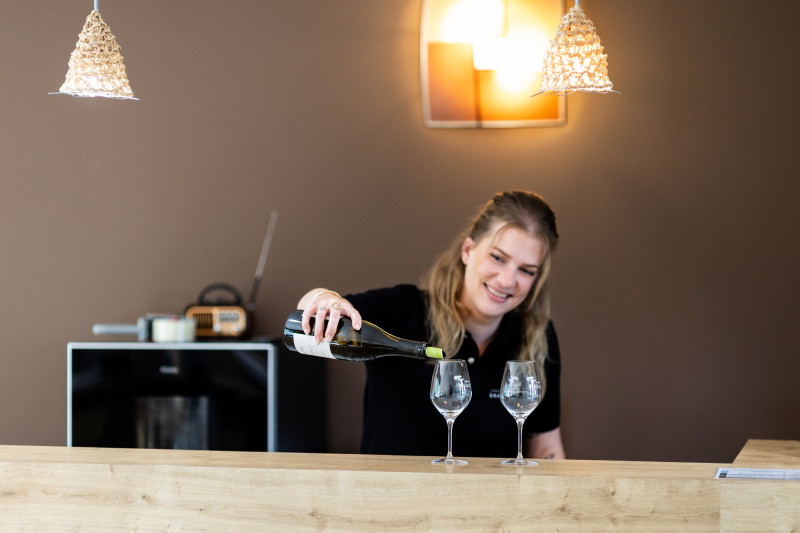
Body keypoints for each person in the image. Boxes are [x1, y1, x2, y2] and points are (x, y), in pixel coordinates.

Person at [297, 190, 566, 460]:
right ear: (468, 251)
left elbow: (546, 448)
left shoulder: (538, 336)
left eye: (527, 270)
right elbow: (308, 310)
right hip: (390, 498)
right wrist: (324, 302)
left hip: (492, 501)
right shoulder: (404, 310)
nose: (508, 280)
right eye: (497, 257)